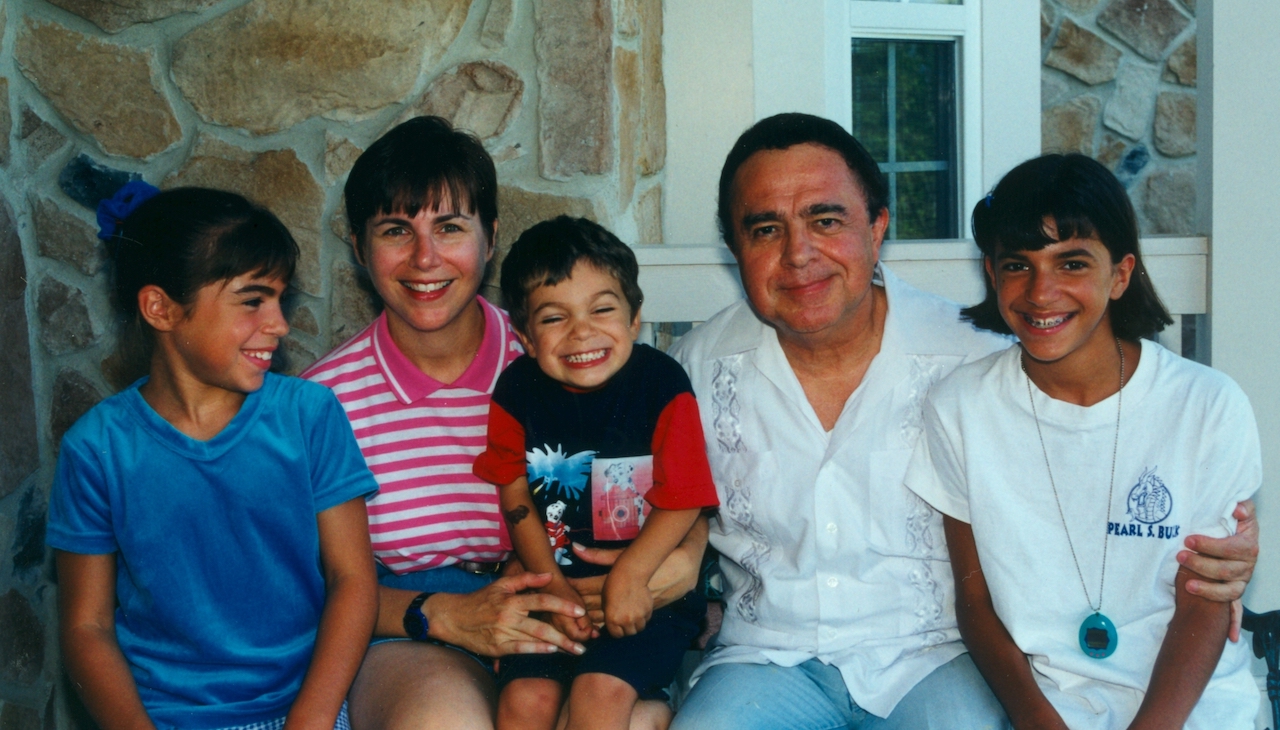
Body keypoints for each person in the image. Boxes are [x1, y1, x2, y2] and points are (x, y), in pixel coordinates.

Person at [666, 113, 1259, 729]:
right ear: (734, 249)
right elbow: (651, 504)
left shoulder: (979, 358)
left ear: (878, 228)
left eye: (826, 220)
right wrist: (676, 578)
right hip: (770, 659)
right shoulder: (689, 374)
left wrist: (1225, 552)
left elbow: (1100, 457)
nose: (799, 255)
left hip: (935, 658)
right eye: (765, 229)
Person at [302, 117, 704, 730]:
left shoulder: (569, 353)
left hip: (576, 611)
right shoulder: (321, 402)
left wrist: (687, 556)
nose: (425, 257)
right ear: (359, 248)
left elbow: (670, 480)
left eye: (450, 227)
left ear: (490, 238)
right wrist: (439, 614)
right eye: (394, 230)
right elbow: (309, 587)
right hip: (416, 627)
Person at [903, 154, 1259, 728]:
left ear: (1120, 275)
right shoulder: (960, 408)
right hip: (1045, 705)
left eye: (1071, 263)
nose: (1042, 292)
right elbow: (975, 603)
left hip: (1189, 707)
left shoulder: (1208, 406)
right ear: (993, 276)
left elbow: (1206, 596)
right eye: (1018, 265)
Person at [48, 184, 379, 730]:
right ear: (160, 308)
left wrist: (311, 719)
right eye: (252, 300)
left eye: (280, 298)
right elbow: (87, 629)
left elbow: (353, 581)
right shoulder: (97, 449)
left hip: (304, 709)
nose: (278, 323)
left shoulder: (309, 415)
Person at [472, 217, 719, 730]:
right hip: (554, 584)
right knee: (524, 703)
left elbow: (685, 495)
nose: (582, 332)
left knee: (597, 697)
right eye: (554, 318)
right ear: (525, 337)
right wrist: (552, 584)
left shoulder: (662, 383)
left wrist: (631, 576)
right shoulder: (515, 392)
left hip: (648, 593)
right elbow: (513, 490)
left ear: (633, 319)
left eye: (602, 309)